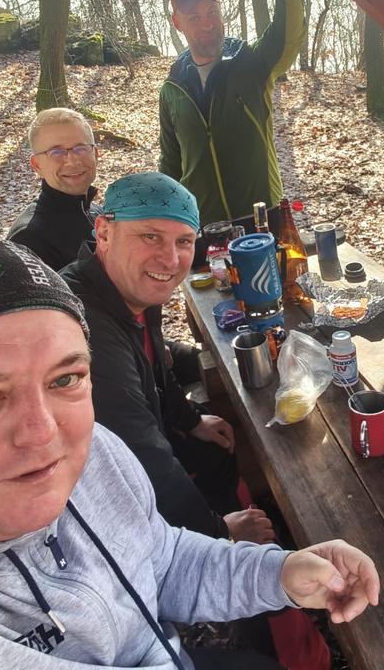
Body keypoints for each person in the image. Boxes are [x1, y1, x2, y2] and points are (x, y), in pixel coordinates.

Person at [0, 239, 381, 669]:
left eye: (64, 379)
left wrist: (277, 573)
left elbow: (160, 561)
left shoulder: (97, 453)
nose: (41, 433)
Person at [61, 172, 268, 543]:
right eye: (150, 236)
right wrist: (220, 532)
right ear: (104, 232)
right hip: (104, 512)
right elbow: (140, 452)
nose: (171, 259)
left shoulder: (131, 287)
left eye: (184, 241)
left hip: (147, 446)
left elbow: (157, 364)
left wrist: (190, 419)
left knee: (217, 445)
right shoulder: (85, 327)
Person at [158, 0, 306, 235]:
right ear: (177, 22)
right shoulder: (172, 90)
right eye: (194, 17)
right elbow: (170, 165)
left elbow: (288, 36)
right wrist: (171, 225)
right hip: (205, 230)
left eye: (212, 12)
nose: (206, 24)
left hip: (263, 220)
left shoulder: (250, 63)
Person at [8, 108, 100, 270]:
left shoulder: (98, 213)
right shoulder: (28, 239)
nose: (72, 161)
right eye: (56, 152)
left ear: (96, 154)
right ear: (37, 165)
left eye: (81, 148)